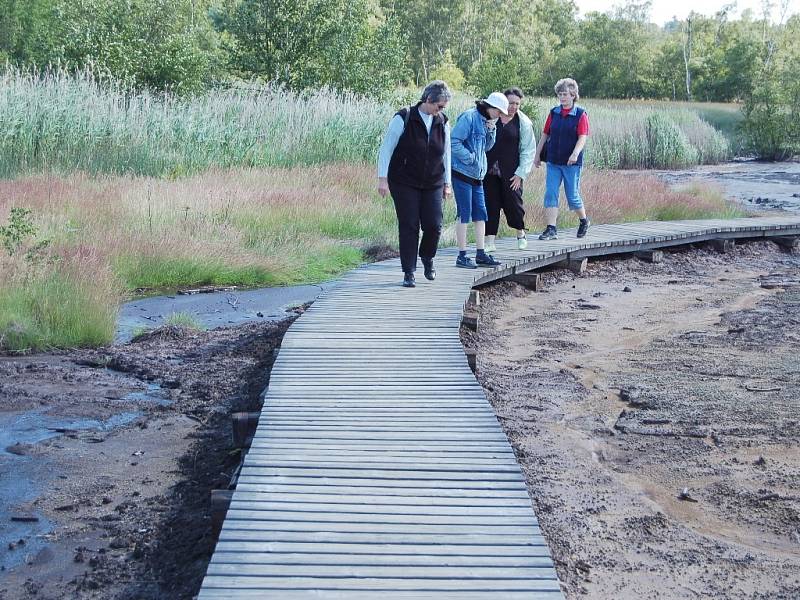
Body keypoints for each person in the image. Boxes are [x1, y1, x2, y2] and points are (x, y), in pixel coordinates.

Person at [377, 80, 452, 288]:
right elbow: (386, 149)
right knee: (409, 225)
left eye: (443, 108)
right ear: (428, 100)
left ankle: (427, 256)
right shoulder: (404, 117)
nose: (440, 111)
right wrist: (382, 179)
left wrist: (448, 184)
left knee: (434, 225)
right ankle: (408, 271)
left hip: (434, 181)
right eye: (439, 106)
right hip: (404, 181)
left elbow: (447, 154)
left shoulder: (443, 121)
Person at [450, 92, 509, 269]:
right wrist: (470, 158)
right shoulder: (468, 118)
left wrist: (491, 129)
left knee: (481, 214)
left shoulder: (488, 123)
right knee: (464, 213)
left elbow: (488, 147)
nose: (500, 115)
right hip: (462, 172)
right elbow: (453, 142)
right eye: (499, 112)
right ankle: (462, 255)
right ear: (491, 107)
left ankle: (481, 253)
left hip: (478, 176)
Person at [533, 78, 591, 241]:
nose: (562, 97)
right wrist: (537, 155)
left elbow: (582, 137)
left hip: (571, 163)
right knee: (550, 193)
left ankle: (584, 221)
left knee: (572, 195)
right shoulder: (554, 113)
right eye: (560, 94)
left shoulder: (580, 114)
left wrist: (575, 154)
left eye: (565, 94)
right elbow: (545, 134)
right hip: (553, 161)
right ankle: (551, 229)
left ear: (573, 95)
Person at [484, 87, 536, 252]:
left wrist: (521, 174)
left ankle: (520, 234)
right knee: (491, 205)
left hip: (512, 172)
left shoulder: (524, 123)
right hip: (490, 171)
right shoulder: (492, 118)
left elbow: (528, 150)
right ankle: (489, 241)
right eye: (510, 103)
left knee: (514, 204)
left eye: (517, 103)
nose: (513, 107)